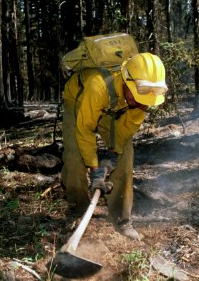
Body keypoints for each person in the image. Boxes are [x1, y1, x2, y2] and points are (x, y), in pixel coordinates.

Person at [61, 52, 168, 240]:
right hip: (79, 102)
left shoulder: (142, 98)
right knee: (74, 157)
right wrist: (95, 170)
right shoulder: (97, 86)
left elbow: (126, 129)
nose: (140, 103)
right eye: (136, 97)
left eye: (144, 101)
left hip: (113, 106)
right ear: (126, 80)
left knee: (126, 156)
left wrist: (114, 153)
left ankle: (121, 219)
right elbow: (85, 130)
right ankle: (78, 210)